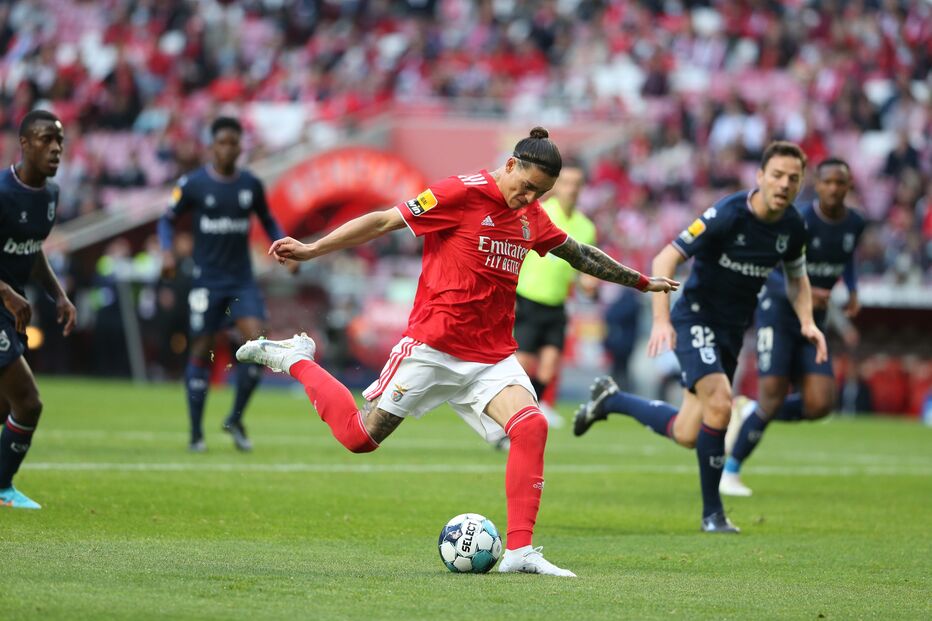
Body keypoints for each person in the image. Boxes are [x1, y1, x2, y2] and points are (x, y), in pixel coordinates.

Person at [236, 127, 678, 576]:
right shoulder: (459, 194)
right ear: (510, 165)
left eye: (539, 194)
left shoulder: (532, 217)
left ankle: (520, 551)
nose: (528, 199)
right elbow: (384, 220)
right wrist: (313, 249)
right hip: (433, 346)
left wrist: (642, 282)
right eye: (526, 186)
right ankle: (295, 358)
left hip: (490, 356)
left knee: (532, 426)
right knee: (358, 438)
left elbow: (580, 254)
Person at [573, 141, 826, 533]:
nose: (784, 184)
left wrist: (808, 321)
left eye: (794, 178)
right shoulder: (728, 213)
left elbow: (798, 278)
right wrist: (661, 321)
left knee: (688, 432)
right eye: (777, 175)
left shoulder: (792, 227)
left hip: (731, 332)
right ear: (760, 176)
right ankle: (713, 515)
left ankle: (612, 400)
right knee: (722, 404)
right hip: (695, 318)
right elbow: (665, 258)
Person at [721, 157, 866, 496]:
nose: (832, 188)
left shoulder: (856, 222)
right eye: (827, 181)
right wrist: (805, 290)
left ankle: (748, 412)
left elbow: (848, 257)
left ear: (848, 186)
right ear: (816, 184)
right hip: (778, 313)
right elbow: (770, 269)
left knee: (819, 405)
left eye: (839, 183)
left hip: (813, 321)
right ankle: (730, 472)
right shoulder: (797, 219)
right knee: (772, 395)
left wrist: (854, 289)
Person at [158, 116, 293, 453]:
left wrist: (285, 247)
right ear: (212, 146)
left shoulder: (250, 185)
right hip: (208, 281)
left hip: (242, 281)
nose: (229, 148)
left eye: (235, 142)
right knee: (202, 348)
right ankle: (195, 433)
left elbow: (269, 219)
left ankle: (234, 418)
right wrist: (166, 253)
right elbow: (167, 219)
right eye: (223, 142)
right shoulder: (194, 184)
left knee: (258, 345)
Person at [0, 109, 77, 509]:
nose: (55, 148)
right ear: (24, 143)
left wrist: (58, 295)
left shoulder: (49, 195)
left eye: (60, 140)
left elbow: (32, 251)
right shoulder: (2, 191)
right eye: (46, 139)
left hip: (11, 311)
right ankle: (2, 489)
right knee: (28, 401)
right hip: (3, 305)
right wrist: (6, 292)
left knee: (4, 408)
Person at [513, 158, 596, 428]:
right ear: (557, 186)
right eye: (567, 183)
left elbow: (583, 267)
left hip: (557, 302)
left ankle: (528, 412)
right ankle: (512, 412)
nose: (572, 189)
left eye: (577, 184)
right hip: (528, 298)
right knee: (522, 364)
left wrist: (587, 283)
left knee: (549, 366)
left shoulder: (586, 227)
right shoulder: (539, 213)